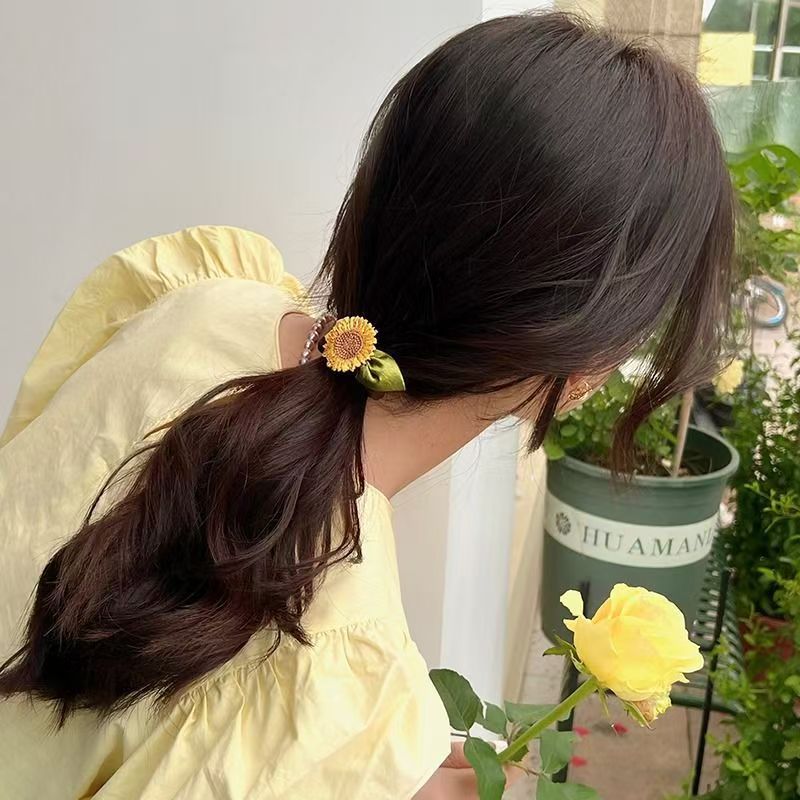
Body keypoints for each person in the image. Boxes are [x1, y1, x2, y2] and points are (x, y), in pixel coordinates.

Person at [0, 11, 733, 800]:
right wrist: (359, 767)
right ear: (589, 360)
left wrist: (365, 760)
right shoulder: (335, 688)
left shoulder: (201, 301)